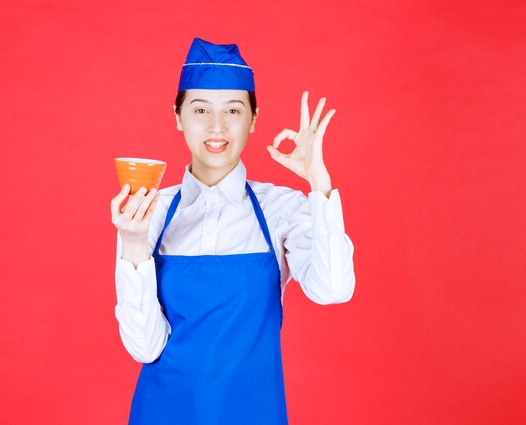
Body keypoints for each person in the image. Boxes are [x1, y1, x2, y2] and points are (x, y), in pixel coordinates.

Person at [110, 37, 355, 425]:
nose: (217, 126)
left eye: (234, 110)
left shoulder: (282, 209)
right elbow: (144, 346)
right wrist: (134, 243)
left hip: (255, 413)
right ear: (177, 116)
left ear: (254, 119)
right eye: (200, 109)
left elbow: (334, 289)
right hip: (162, 412)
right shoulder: (149, 213)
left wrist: (318, 183)